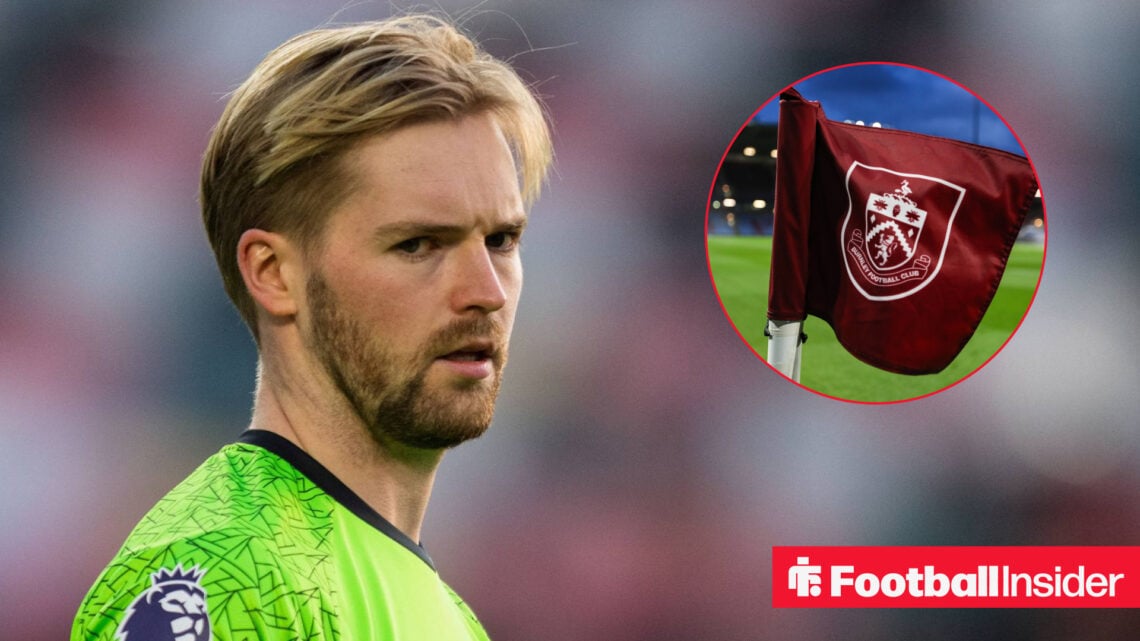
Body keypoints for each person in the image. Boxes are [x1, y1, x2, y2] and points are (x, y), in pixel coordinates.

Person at [72, 14, 552, 641]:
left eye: (501, 239)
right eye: (416, 245)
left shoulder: (451, 619)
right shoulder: (218, 577)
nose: (485, 292)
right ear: (273, 274)